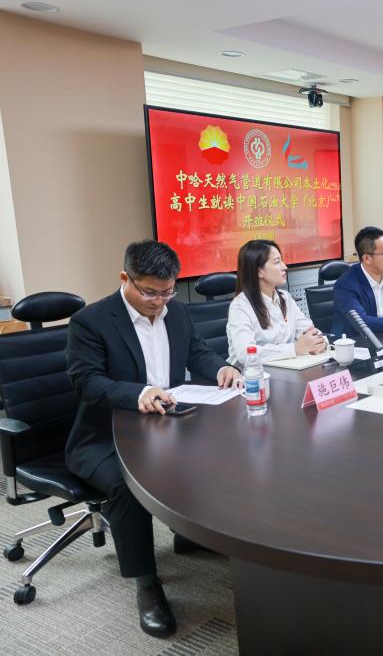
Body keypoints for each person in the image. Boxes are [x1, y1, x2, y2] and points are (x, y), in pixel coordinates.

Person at [65, 240, 241, 638]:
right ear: (125, 278)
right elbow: (86, 381)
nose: (159, 302)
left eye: (167, 292)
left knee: (221, 452)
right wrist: (139, 393)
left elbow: (198, 352)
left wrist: (221, 369)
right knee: (128, 484)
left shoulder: (175, 311)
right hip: (105, 436)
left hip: (169, 424)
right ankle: (146, 582)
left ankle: (188, 535)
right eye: (149, 293)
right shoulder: (92, 321)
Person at [226, 239, 327, 367]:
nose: (284, 267)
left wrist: (319, 342)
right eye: (277, 262)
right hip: (250, 375)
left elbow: (307, 330)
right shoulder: (240, 307)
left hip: (288, 370)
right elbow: (245, 354)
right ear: (259, 271)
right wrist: (295, 348)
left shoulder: (285, 298)